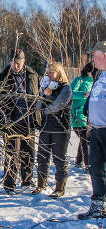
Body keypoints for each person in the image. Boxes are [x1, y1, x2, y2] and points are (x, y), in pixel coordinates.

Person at [0, 49, 40, 194]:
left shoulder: (32, 75)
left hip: (28, 121)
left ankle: (27, 180)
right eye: (14, 63)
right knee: (11, 154)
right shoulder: (3, 77)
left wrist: (37, 115)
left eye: (19, 62)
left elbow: (37, 95)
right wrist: (1, 118)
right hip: (11, 121)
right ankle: (9, 184)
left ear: (24, 61)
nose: (16, 66)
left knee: (28, 152)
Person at [33, 62, 72, 198]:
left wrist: (47, 100)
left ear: (59, 73)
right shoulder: (46, 87)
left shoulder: (65, 88)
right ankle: (40, 184)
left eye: (51, 72)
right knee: (42, 157)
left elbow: (57, 106)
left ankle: (59, 187)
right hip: (45, 127)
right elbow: (37, 106)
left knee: (59, 158)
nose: (49, 75)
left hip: (60, 128)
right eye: (47, 73)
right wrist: (45, 95)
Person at [78, 41, 106, 219]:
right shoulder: (98, 75)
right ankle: (98, 207)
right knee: (95, 168)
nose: (92, 59)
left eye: (94, 55)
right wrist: (89, 116)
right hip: (96, 130)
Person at [71, 62, 94, 170]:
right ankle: (88, 164)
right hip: (78, 113)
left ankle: (78, 161)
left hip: (90, 114)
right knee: (84, 137)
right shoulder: (79, 80)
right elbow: (71, 93)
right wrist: (84, 94)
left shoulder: (97, 81)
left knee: (83, 138)